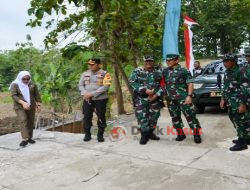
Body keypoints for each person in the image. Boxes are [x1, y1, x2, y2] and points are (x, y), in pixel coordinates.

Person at [161, 54, 202, 143]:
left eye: (170, 60)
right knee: (175, 117)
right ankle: (180, 133)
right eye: (167, 61)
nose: (168, 62)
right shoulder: (165, 71)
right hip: (171, 99)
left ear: (176, 60)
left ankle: (196, 134)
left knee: (190, 116)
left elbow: (190, 84)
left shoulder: (184, 71)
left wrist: (189, 96)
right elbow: (163, 83)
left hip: (183, 98)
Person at [129, 55, 162, 145]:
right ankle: (144, 135)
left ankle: (150, 133)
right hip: (140, 98)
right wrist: (144, 90)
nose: (148, 63)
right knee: (142, 118)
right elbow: (132, 82)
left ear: (153, 61)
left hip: (155, 99)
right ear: (143, 62)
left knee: (154, 117)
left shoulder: (159, 72)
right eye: (146, 61)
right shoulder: (137, 71)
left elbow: (163, 85)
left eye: (150, 61)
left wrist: (156, 95)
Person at [220, 53, 250, 151]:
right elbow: (225, 87)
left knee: (241, 121)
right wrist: (223, 99)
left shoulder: (241, 71)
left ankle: (242, 143)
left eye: (227, 61)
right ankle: (245, 138)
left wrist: (243, 104)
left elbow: (245, 88)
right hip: (230, 101)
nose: (225, 63)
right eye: (224, 61)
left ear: (234, 61)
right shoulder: (227, 72)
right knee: (234, 120)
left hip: (239, 101)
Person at [79, 58, 111, 142]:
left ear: (98, 64)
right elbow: (80, 85)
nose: (90, 66)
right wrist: (85, 93)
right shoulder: (85, 73)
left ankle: (100, 135)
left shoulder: (105, 73)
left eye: (92, 64)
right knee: (86, 116)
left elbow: (106, 87)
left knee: (101, 116)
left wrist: (92, 94)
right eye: (89, 64)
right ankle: (87, 134)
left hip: (100, 99)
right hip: (87, 99)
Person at [9, 71, 42, 147]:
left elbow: (36, 95)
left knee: (30, 121)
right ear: (20, 78)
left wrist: (38, 105)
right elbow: (14, 96)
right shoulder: (15, 85)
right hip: (19, 106)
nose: (26, 81)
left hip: (31, 105)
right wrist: (23, 103)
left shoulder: (32, 85)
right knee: (23, 120)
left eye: (28, 79)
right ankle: (25, 139)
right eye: (24, 79)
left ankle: (29, 137)